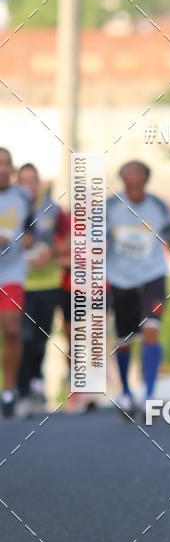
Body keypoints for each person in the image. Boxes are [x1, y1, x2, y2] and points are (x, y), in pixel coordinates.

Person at [106, 160, 170, 417]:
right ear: (121, 176)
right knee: (124, 340)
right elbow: (93, 244)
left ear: (146, 177)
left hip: (153, 277)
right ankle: (126, 394)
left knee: (152, 330)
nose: (132, 174)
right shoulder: (109, 207)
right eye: (128, 170)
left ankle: (149, 394)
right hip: (120, 280)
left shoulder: (158, 207)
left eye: (138, 171)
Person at [16, 164, 69, 414]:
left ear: (39, 183)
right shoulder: (11, 207)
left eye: (32, 180)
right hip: (19, 282)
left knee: (42, 336)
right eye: (23, 180)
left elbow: (70, 235)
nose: (29, 185)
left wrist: (51, 254)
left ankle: (37, 385)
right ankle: (22, 391)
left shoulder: (52, 209)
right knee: (22, 336)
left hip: (48, 282)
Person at [0, 148, 35, 417]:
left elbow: (30, 228)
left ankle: (9, 389)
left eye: (6, 164)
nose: (2, 169)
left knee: (12, 328)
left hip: (11, 272)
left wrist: (28, 239)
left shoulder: (22, 196)